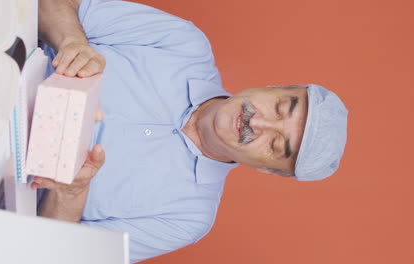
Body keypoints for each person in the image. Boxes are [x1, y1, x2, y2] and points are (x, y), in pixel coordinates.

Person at [32, 0, 349, 263]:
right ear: (274, 87)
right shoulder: (182, 43)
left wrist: (70, 194)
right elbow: (54, 4)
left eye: (276, 145)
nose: (259, 123)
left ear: (268, 169)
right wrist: (72, 41)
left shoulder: (186, 219)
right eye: (280, 107)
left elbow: (50, 255)